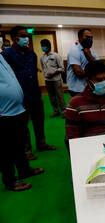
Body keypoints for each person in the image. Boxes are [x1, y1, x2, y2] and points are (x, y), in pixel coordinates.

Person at [2, 26, 56, 161]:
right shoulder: (6, 54)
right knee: (23, 125)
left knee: (39, 120)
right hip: (20, 96)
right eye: (23, 36)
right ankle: (26, 150)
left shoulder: (32, 54)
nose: (26, 38)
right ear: (15, 38)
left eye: (27, 35)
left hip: (35, 93)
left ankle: (41, 143)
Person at [0, 32, 44, 191]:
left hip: (17, 109)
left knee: (18, 144)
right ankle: (10, 181)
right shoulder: (6, 54)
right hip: (3, 113)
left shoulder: (1, 56)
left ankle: (25, 170)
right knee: (5, 150)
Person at [66, 28, 97, 96]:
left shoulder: (92, 52)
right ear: (80, 38)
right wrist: (94, 71)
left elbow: (97, 67)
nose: (90, 39)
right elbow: (79, 73)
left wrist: (89, 56)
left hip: (88, 86)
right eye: (87, 37)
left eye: (91, 37)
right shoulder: (74, 50)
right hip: (76, 88)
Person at [40, 39, 66, 117]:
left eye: (44, 46)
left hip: (56, 80)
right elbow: (43, 68)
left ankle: (64, 111)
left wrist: (53, 74)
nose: (43, 47)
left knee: (59, 96)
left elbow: (62, 68)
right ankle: (56, 111)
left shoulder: (56, 55)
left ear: (49, 46)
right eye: (42, 46)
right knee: (51, 96)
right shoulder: (42, 57)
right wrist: (46, 75)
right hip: (47, 80)